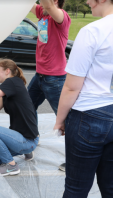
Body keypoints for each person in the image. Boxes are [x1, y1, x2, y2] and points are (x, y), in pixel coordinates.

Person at [53, 0, 113, 198]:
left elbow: (71, 86)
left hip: (90, 114)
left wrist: (60, 120)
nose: (87, 1)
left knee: (76, 188)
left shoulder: (93, 31)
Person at [29, 0, 71, 172]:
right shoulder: (42, 13)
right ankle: (32, 138)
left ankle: (75, 161)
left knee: (66, 121)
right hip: (39, 76)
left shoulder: (61, 17)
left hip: (55, 79)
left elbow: (48, 5)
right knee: (27, 107)